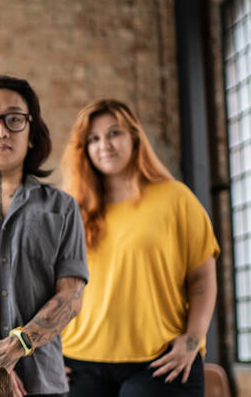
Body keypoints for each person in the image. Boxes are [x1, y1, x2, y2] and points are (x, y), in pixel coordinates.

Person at [60, 99, 219, 396]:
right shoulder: (72, 209)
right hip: (78, 364)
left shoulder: (176, 199)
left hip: (160, 361)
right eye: (93, 139)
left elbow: (202, 279)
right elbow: (53, 286)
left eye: (114, 133)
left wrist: (192, 341)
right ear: (84, 149)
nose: (104, 145)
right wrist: (48, 353)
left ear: (135, 137)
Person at [0, 75, 89, 397]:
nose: (0, 131)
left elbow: (71, 297)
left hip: (42, 385)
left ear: (31, 132)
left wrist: (12, 350)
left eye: (14, 119)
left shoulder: (62, 208)